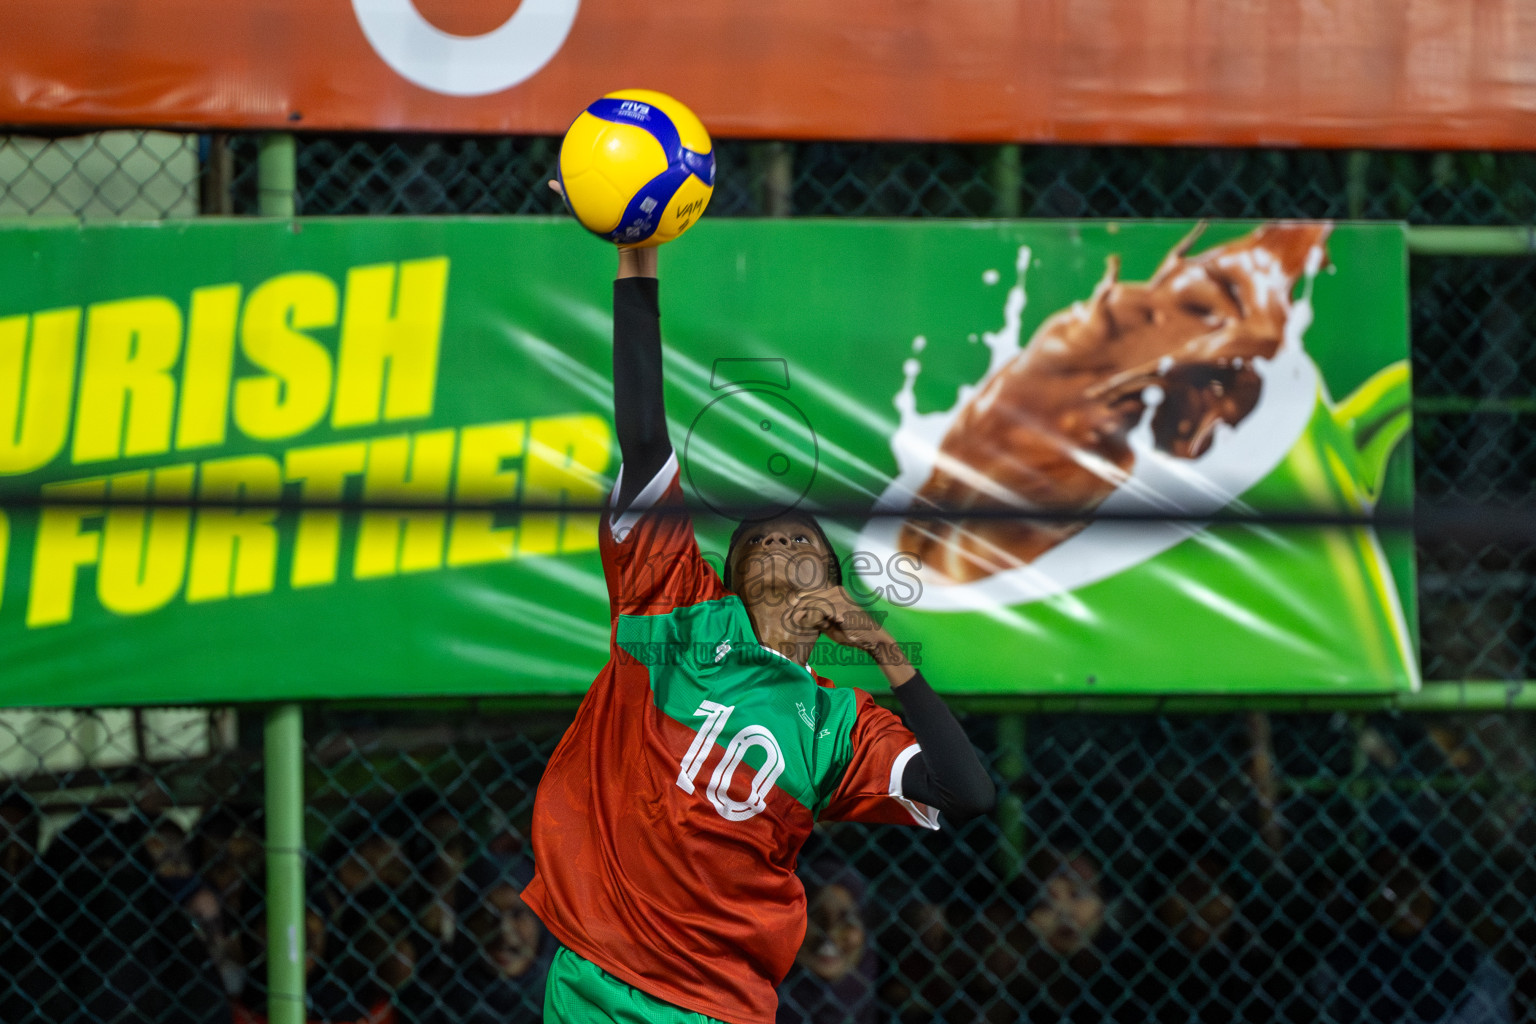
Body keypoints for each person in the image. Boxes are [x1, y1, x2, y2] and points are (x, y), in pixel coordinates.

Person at [520, 221, 996, 1024]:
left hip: (716, 1005)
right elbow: (643, 438)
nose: (781, 537)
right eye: (759, 540)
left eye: (804, 540)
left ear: (835, 589)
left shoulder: (841, 725)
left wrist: (886, 651)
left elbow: (969, 792)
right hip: (594, 977)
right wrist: (637, 253)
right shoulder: (673, 605)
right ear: (731, 579)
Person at [776, 858, 877, 1024]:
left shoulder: (869, 1006)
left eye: (848, 921)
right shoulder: (757, 1005)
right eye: (817, 918)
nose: (830, 934)